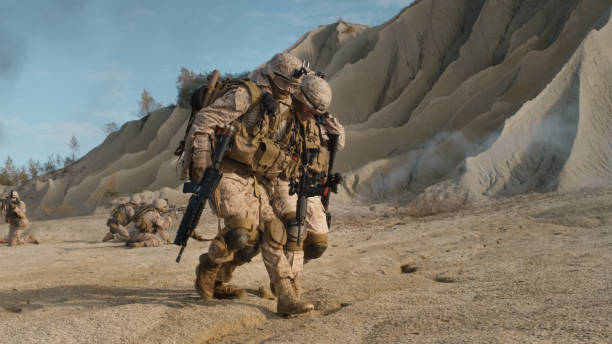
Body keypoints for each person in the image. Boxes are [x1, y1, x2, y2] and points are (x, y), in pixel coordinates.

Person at [185, 52, 315, 316]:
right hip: (227, 170)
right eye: (284, 84)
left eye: (293, 86)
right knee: (241, 232)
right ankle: (209, 266)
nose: (289, 90)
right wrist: (201, 155)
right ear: (272, 76)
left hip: (255, 178)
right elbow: (205, 120)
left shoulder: (288, 108)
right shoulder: (247, 95)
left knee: (273, 231)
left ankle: (286, 296)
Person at [261, 73, 344, 299]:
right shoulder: (282, 114)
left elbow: (339, 140)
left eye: (314, 110)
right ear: (299, 97)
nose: (310, 112)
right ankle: (289, 285)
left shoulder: (317, 121)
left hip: (309, 184)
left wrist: (328, 122)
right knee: (294, 227)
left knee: (317, 243)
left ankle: (289, 270)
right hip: (282, 182)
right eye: (308, 107)